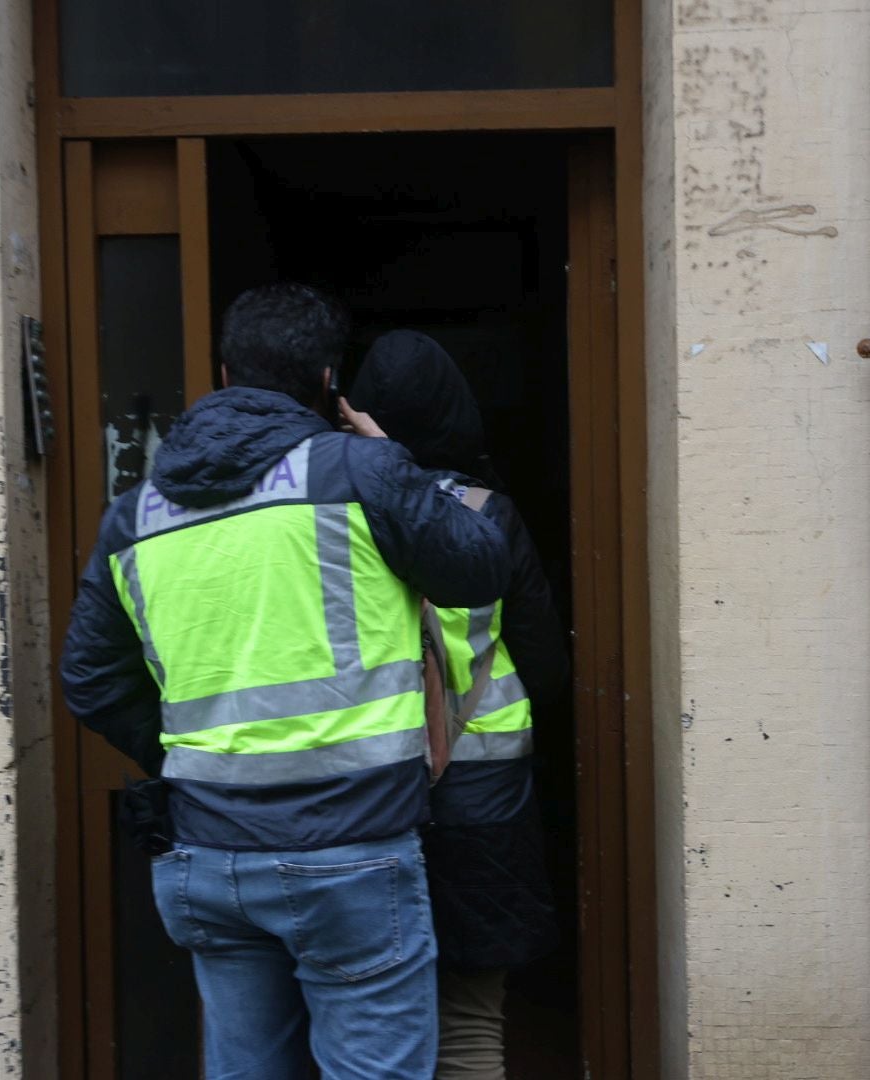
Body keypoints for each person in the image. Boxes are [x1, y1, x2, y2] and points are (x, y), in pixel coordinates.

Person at [59, 285, 512, 1080]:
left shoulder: (138, 513)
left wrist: (193, 763)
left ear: (226, 372)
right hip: (353, 852)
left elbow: (91, 679)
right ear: (330, 377)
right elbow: (479, 567)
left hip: (207, 857)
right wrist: (394, 456)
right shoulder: (358, 470)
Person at [345, 329, 570, 1080]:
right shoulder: (488, 512)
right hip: (484, 790)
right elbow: (541, 657)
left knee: (368, 1021)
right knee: (472, 1023)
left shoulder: (334, 512)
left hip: (360, 788)